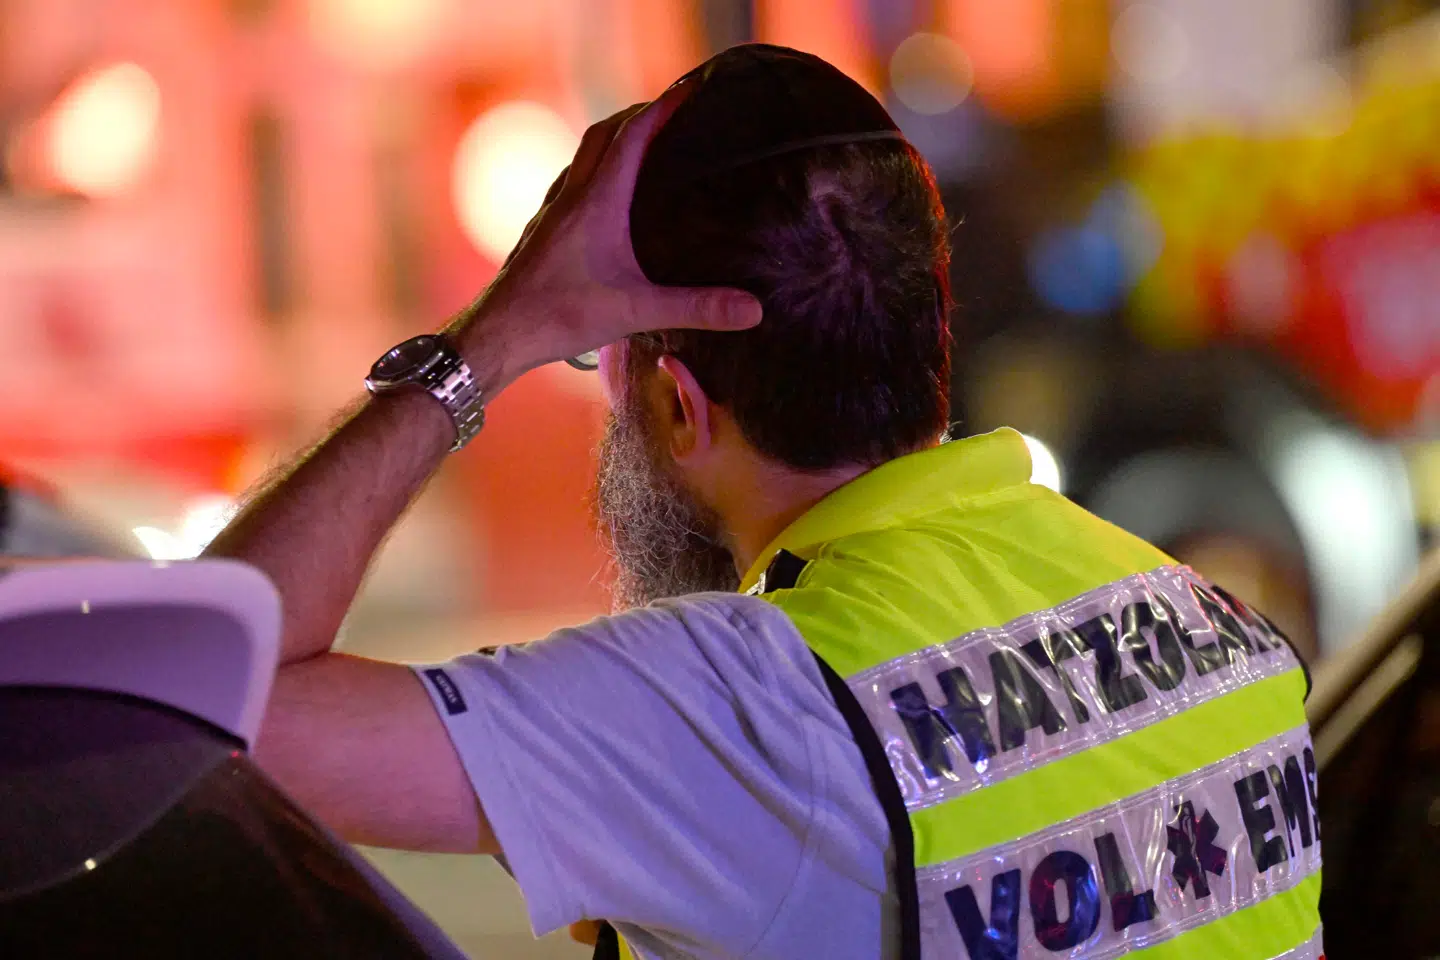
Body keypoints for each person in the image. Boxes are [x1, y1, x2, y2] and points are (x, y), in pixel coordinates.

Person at [205, 45, 1322, 960]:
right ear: (923, 332)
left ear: (679, 406)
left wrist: (490, 340)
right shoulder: (1221, 631)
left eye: (601, 364)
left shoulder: (738, 711)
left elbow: (200, 712)